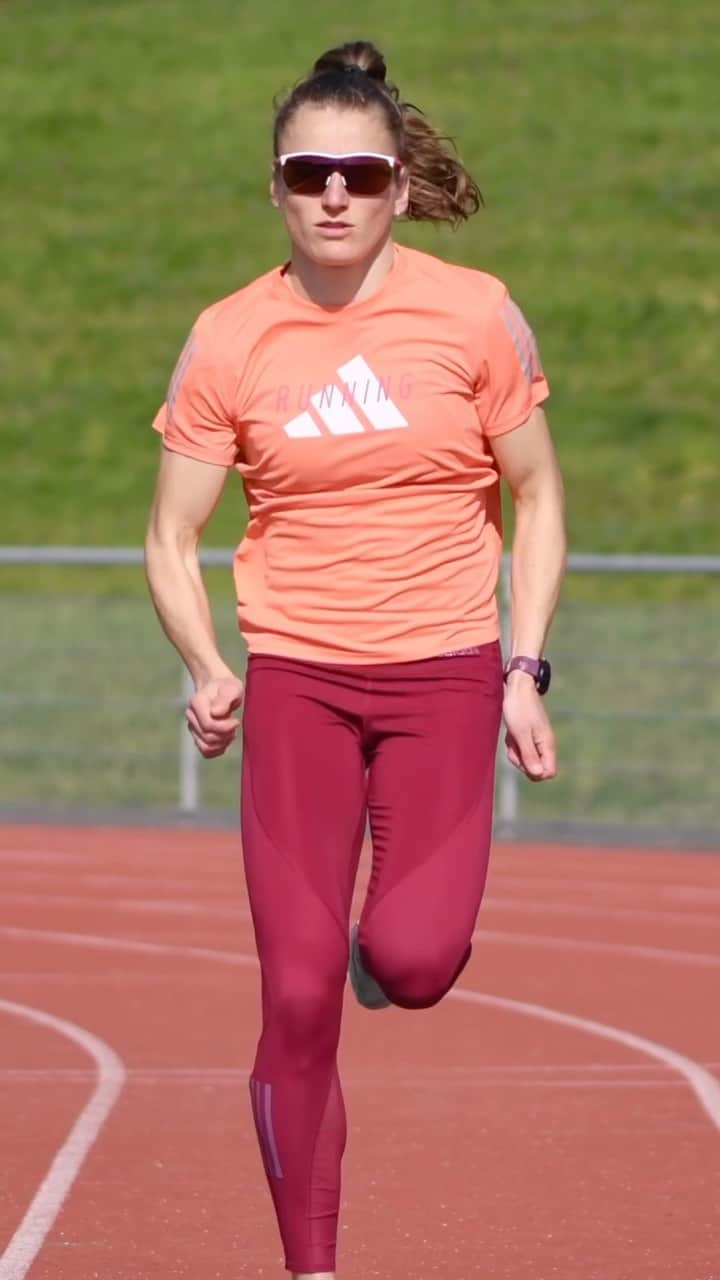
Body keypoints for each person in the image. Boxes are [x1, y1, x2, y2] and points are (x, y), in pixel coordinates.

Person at [145, 38, 566, 1280]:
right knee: (295, 997)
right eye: (309, 171)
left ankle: (391, 961)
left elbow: (536, 497)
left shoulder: (474, 311)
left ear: (397, 184)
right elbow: (172, 535)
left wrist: (525, 669)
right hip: (298, 686)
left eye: (362, 173)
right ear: (276, 186)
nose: (336, 194)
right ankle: (312, 1267)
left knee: (417, 961)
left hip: (444, 673)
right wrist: (208, 663)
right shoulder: (229, 337)